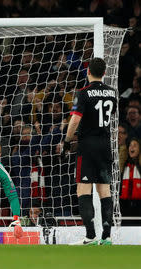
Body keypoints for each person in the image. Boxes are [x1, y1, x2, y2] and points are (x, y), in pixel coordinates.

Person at [62, 57, 117, 245]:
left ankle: (91, 236)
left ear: (87, 72)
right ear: (104, 73)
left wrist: (67, 140)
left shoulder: (82, 93)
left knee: (83, 189)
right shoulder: (112, 93)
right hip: (105, 145)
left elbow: (75, 120)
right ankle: (107, 236)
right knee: (105, 190)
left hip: (88, 146)